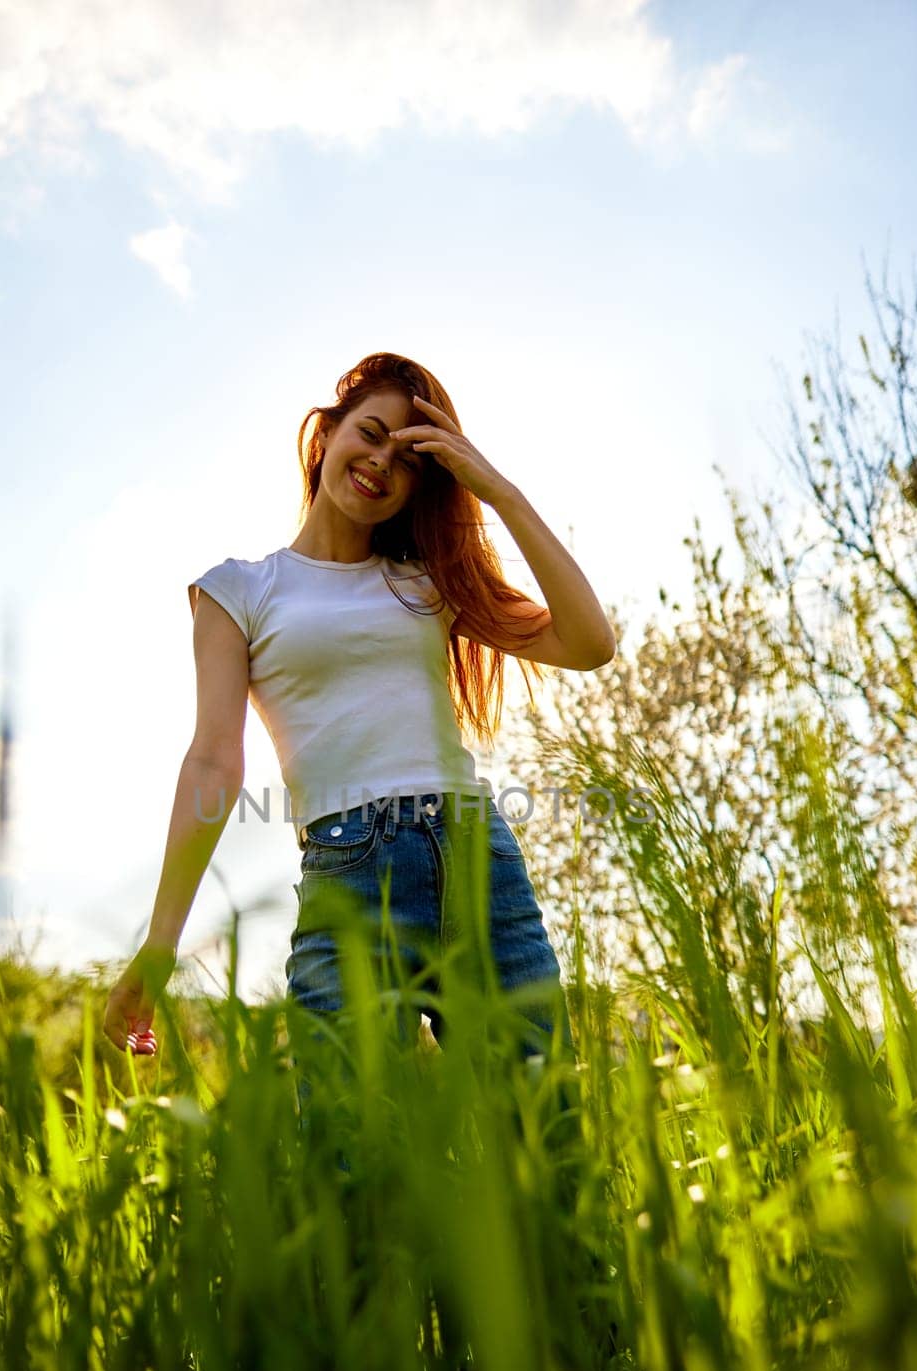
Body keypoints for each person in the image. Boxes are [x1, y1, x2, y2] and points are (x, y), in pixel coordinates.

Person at [102, 352, 616, 1077]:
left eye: (409, 460)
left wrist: (497, 490)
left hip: (476, 857)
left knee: (538, 1130)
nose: (381, 463)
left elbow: (590, 643)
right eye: (369, 433)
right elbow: (215, 761)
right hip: (351, 870)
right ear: (326, 435)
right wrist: (160, 946)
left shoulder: (430, 582)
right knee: (349, 1147)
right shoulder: (238, 591)